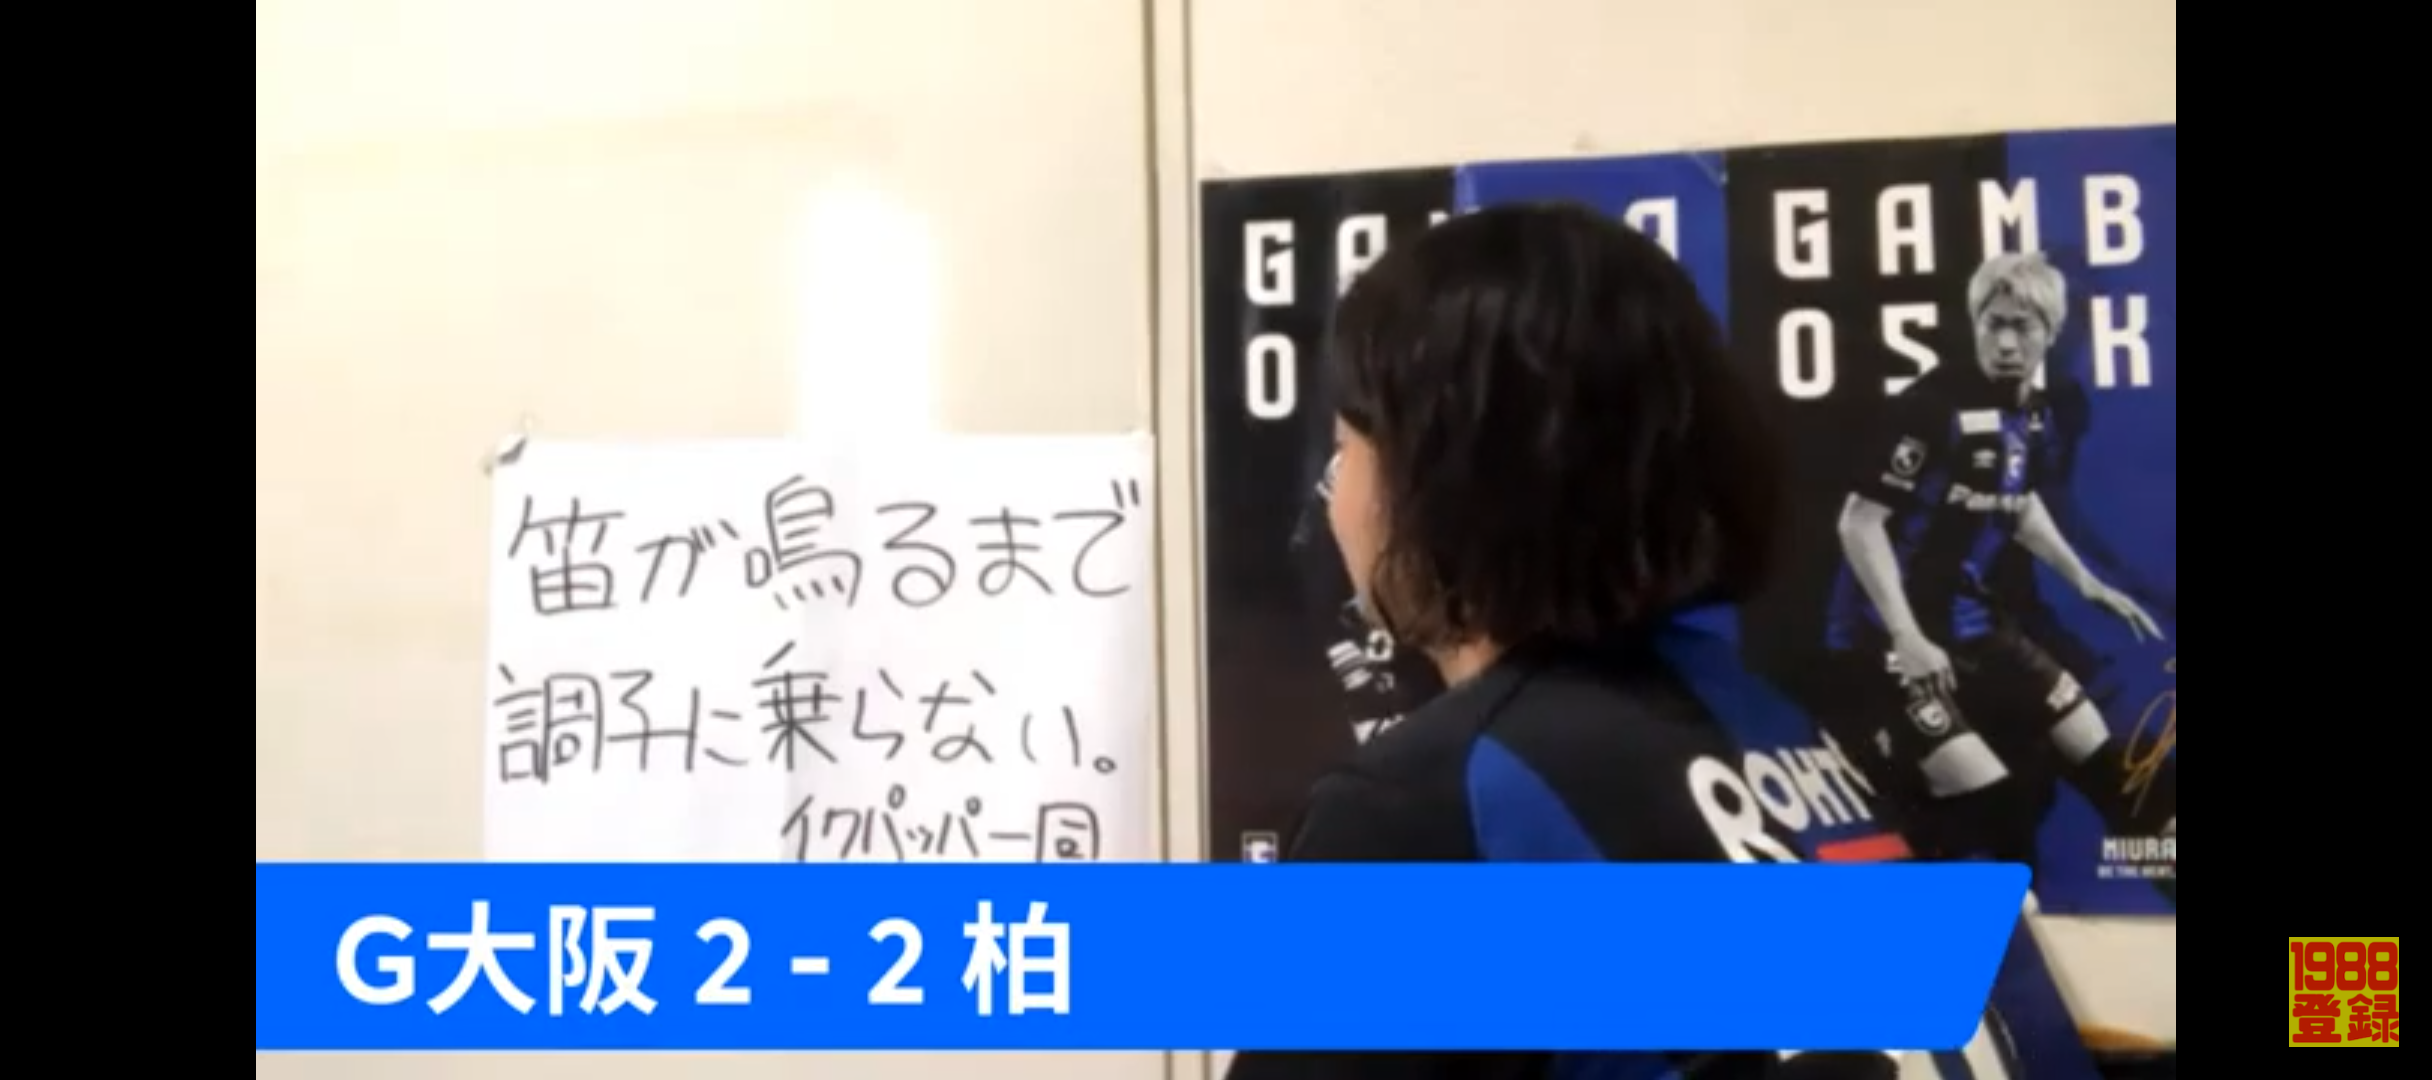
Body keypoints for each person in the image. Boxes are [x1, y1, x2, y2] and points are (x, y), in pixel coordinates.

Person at [1225, 203, 1911, 1080]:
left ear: (1442, 480)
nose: (1335, 499)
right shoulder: (1776, 724)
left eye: (1347, 447)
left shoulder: (1421, 811)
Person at [1823, 252, 2175, 881]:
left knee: (2116, 772)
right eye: (1994, 324)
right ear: (1975, 324)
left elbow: (2019, 502)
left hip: (1974, 622)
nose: (2007, 343)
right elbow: (1859, 521)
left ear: (2051, 332)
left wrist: (2085, 582)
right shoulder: (1929, 407)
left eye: (2024, 326)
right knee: (1995, 811)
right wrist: (1906, 636)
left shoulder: (2035, 413)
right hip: (1888, 637)